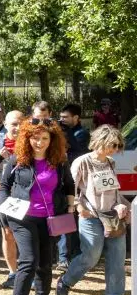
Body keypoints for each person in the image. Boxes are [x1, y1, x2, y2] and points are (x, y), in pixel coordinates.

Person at [0, 118, 75, 295]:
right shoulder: (17, 160)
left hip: (51, 219)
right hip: (22, 218)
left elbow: (69, 184)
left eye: (44, 138)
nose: (39, 143)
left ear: (52, 140)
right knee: (29, 260)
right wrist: (3, 212)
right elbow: (4, 186)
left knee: (45, 262)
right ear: (27, 138)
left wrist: (70, 207)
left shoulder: (60, 161)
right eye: (35, 138)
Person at [56, 126, 130, 295]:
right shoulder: (81, 162)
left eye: (117, 146)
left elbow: (113, 190)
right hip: (90, 216)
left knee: (117, 257)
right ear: (100, 142)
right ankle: (65, 281)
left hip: (112, 216)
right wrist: (79, 207)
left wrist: (120, 205)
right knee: (91, 256)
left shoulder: (111, 162)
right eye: (112, 145)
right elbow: (70, 187)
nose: (115, 149)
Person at [0, 110, 24, 288]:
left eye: (21, 123)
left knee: (26, 233)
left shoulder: (32, 143)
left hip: (27, 194)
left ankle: (28, 271)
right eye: (14, 124)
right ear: (5, 124)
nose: (17, 127)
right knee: (7, 233)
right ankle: (13, 272)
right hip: (3, 193)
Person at [57, 103, 89, 267]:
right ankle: (63, 255)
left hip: (77, 180)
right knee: (65, 215)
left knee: (73, 216)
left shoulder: (82, 133)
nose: (62, 120)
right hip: (63, 177)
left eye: (65, 117)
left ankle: (73, 252)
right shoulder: (62, 131)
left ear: (76, 118)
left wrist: (65, 133)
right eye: (60, 117)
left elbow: (78, 150)